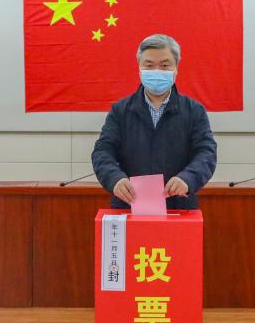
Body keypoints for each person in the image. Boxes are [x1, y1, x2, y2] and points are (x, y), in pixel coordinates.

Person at [92, 34, 217, 210]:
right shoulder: (120, 111)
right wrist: (115, 179)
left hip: (179, 206)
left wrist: (188, 178)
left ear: (176, 68)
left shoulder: (193, 110)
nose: (157, 71)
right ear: (139, 68)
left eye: (165, 65)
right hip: (129, 205)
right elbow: (102, 152)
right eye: (149, 65)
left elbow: (206, 153)